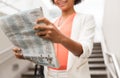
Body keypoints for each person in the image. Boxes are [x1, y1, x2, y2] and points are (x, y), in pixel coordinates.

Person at [13, 0, 96, 78]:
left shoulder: (86, 19)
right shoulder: (52, 22)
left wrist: (60, 38)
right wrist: (27, 55)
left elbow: (85, 51)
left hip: (73, 74)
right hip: (49, 74)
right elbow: (45, 55)